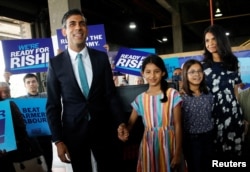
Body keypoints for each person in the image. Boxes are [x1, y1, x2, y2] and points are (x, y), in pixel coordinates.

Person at [45, 8, 127, 172]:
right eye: (72, 24)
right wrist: (58, 141)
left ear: (87, 30)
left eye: (82, 24)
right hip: (73, 132)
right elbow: (53, 105)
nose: (78, 28)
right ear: (64, 31)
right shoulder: (55, 64)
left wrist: (120, 122)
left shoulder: (101, 58)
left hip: (104, 129)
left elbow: (110, 95)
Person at [118, 54, 183, 172]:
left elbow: (178, 125)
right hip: (149, 147)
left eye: (156, 71)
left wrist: (178, 153)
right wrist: (124, 129)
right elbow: (130, 125)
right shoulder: (140, 99)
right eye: (148, 72)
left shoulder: (172, 94)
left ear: (163, 72)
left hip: (170, 144)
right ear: (142, 73)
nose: (152, 76)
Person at [202, 24, 245, 161]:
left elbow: (236, 91)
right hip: (212, 116)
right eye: (207, 40)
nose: (210, 43)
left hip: (233, 116)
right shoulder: (203, 67)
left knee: (234, 156)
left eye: (213, 39)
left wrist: (241, 115)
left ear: (221, 40)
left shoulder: (233, 62)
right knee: (216, 156)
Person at [0, 82, 45, 172]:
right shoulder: (9, 105)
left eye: (7, 91)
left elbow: (20, 129)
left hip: (15, 155)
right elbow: (21, 127)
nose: (5, 94)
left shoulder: (9, 104)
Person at [181, 59, 214, 172]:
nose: (197, 74)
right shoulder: (181, 97)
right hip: (192, 140)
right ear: (185, 74)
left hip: (209, 137)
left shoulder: (208, 93)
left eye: (200, 71)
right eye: (192, 72)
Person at [18, 73, 53, 172]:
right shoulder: (21, 100)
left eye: (33, 81)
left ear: (38, 83)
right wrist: (7, 80)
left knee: (48, 163)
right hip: (31, 139)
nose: (31, 84)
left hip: (46, 136)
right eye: (28, 82)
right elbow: (5, 100)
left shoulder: (45, 95)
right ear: (25, 85)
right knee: (37, 164)